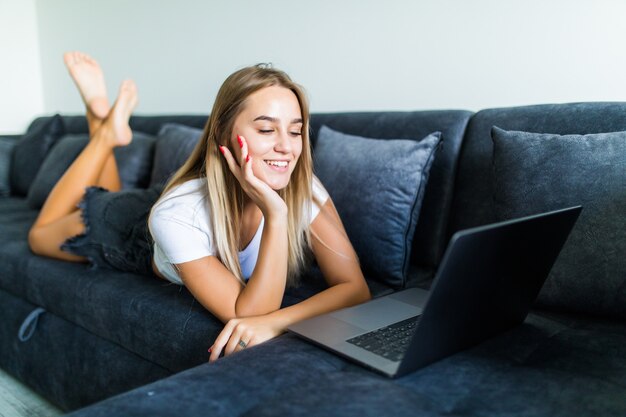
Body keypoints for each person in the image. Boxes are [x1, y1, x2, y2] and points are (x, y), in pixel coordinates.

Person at [28, 52, 371, 362]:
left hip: (187, 210)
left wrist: (279, 323)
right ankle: (104, 134)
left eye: (295, 132)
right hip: (134, 230)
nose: (285, 147)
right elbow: (249, 313)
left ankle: (103, 121)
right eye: (266, 129)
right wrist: (276, 215)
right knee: (41, 236)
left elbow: (354, 288)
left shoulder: (301, 186)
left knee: (107, 194)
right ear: (223, 134)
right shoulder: (177, 213)